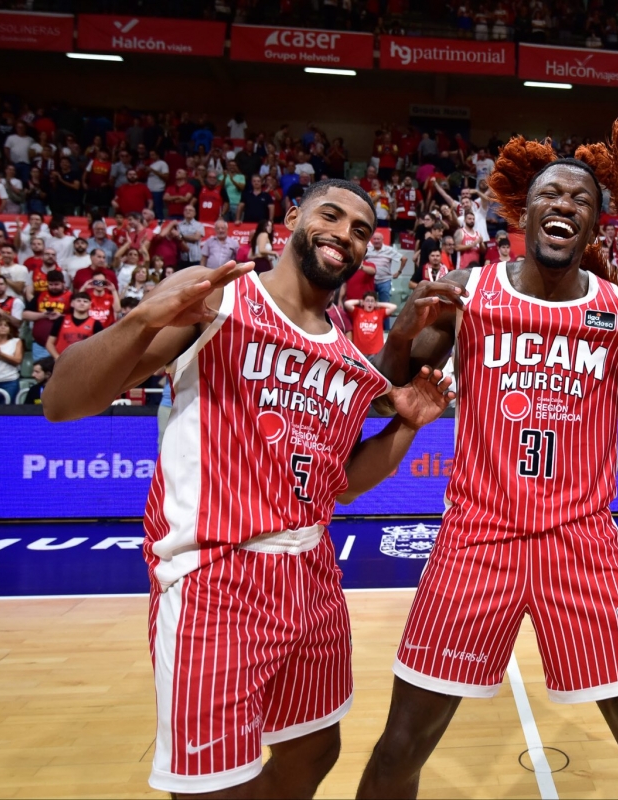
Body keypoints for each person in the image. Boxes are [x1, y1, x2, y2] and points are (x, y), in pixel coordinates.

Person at [44, 177, 456, 797]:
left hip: (313, 576)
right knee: (215, 786)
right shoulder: (218, 301)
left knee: (317, 750)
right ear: (293, 217)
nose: (344, 233)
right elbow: (62, 402)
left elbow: (340, 483)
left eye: (360, 229)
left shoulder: (346, 348)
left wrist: (408, 427)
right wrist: (142, 318)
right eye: (331, 215)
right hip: (217, 578)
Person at [358, 154, 618, 799]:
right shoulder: (466, 294)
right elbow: (380, 397)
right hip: (477, 542)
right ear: (525, 210)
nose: (564, 204)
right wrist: (399, 337)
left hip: (584, 547)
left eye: (581, 199)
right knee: (403, 742)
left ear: (596, 226)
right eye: (550, 194)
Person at [23, 269, 71, 360]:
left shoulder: (70, 296)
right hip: (39, 345)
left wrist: (60, 316)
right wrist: (43, 315)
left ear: (63, 283)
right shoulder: (40, 295)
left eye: (56, 284)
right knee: (40, 372)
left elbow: (77, 317)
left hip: (63, 346)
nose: (53, 287)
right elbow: (25, 315)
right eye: (51, 284)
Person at [46, 291, 102, 358]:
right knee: (37, 368)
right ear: (72, 303)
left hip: (84, 360)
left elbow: (100, 346)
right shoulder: (61, 320)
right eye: (78, 301)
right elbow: (49, 343)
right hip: (61, 359)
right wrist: (57, 358)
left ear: (90, 305)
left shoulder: (96, 324)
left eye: (85, 301)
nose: (82, 303)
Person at [344, 291, 396, 356]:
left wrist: (378, 304)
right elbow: (347, 303)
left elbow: (394, 307)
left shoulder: (379, 313)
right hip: (359, 352)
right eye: (367, 301)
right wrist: (360, 301)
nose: (370, 303)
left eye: (372, 301)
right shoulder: (357, 312)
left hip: (376, 352)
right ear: (363, 302)